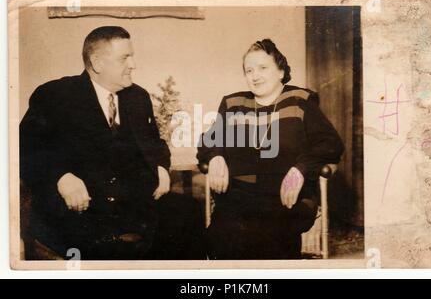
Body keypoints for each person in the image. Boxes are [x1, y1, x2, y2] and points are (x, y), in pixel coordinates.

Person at [20, 26, 204, 260]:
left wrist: (161, 167)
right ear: (97, 63)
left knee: (188, 214)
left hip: (133, 209)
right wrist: (60, 177)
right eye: (124, 58)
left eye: (132, 56)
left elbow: (154, 143)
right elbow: (25, 149)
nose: (133, 64)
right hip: (81, 214)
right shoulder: (55, 95)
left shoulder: (138, 97)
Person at [197, 39, 344, 259]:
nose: (255, 76)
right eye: (249, 70)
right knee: (220, 238)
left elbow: (329, 143)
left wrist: (300, 169)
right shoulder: (233, 103)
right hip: (238, 200)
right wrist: (216, 155)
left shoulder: (300, 101)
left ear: (281, 71)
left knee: (270, 240)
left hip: (286, 199)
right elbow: (208, 141)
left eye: (263, 68)